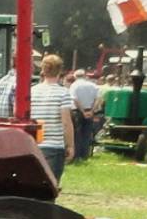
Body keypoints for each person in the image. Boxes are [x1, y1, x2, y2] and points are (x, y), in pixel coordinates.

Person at [28, 53, 74, 184]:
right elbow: (66, 122)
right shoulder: (63, 93)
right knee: (50, 187)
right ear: (60, 71)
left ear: (42, 70)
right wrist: (70, 145)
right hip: (54, 146)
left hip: (34, 144)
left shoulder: (32, 91)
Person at [69, 66, 102, 158]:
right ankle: (85, 154)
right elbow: (98, 99)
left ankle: (77, 154)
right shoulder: (93, 86)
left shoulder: (74, 85)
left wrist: (82, 111)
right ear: (85, 76)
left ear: (75, 76)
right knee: (87, 133)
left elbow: (75, 99)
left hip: (77, 111)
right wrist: (92, 110)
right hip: (89, 110)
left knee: (77, 133)